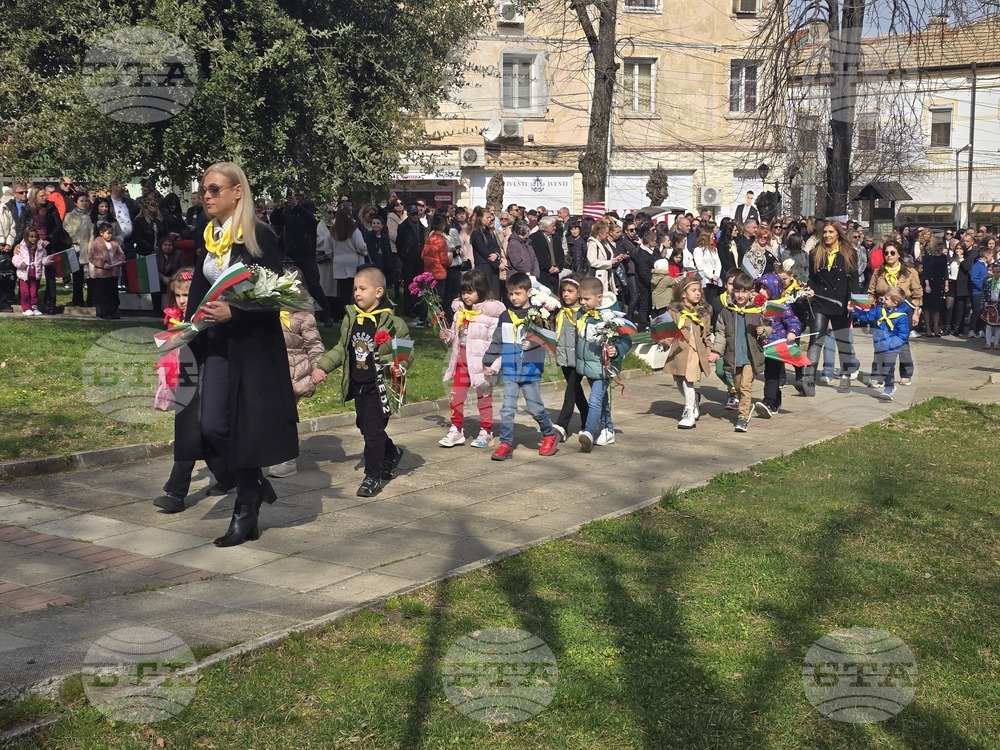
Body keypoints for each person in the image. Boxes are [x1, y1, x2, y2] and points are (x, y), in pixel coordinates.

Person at [175, 162, 299, 547]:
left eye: (213, 189)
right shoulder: (210, 234)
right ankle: (254, 483)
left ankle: (245, 509)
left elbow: (283, 294)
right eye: (203, 190)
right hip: (215, 344)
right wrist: (186, 328)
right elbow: (200, 287)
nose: (206, 196)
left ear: (237, 192)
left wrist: (236, 311)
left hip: (252, 349)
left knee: (243, 425)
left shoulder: (258, 235)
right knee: (209, 424)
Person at [311, 267, 410, 497]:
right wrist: (322, 366)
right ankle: (391, 452)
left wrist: (399, 364)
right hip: (359, 384)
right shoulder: (351, 318)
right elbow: (341, 348)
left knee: (373, 431)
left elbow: (404, 352)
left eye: (362, 289)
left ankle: (371, 477)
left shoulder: (393, 323)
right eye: (355, 288)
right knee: (364, 427)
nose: (356, 293)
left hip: (379, 385)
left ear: (378, 292)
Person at [153, 269, 236, 513]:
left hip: (209, 373)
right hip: (186, 375)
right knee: (195, 430)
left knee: (195, 429)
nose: (181, 300)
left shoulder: (210, 314)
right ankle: (227, 475)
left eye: (187, 294)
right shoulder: (174, 316)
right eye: (177, 295)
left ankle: (175, 492)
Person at [482, 272, 559, 461]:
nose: (514, 297)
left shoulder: (539, 314)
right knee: (507, 409)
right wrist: (487, 361)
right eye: (510, 293)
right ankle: (505, 443)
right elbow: (497, 340)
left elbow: (548, 338)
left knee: (535, 408)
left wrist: (532, 343)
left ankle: (549, 434)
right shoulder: (505, 316)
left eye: (518, 293)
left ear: (529, 292)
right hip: (510, 369)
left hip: (530, 370)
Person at [438, 269, 504, 449]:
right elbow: (455, 334)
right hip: (461, 362)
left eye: (470, 292)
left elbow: (497, 343)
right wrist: (448, 335)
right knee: (456, 397)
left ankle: (486, 431)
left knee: (484, 398)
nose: (466, 296)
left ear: (481, 290)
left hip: (482, 364)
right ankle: (456, 428)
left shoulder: (491, 316)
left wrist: (493, 365)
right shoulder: (460, 313)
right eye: (463, 292)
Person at [802, 221, 861, 395]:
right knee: (816, 338)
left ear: (838, 234)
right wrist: (809, 288)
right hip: (820, 300)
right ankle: (809, 378)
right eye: (825, 232)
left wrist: (853, 301)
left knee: (843, 339)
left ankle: (845, 375)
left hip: (841, 302)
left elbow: (854, 279)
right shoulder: (815, 253)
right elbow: (812, 278)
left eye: (831, 232)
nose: (827, 235)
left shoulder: (849, 252)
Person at [268, 306, 326, 478]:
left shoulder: (303, 317)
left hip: (295, 374)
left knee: (284, 414)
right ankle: (278, 449)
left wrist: (319, 367)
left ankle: (287, 458)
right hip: (271, 371)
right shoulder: (265, 314)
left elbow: (314, 345)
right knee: (271, 414)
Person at [575, 276, 631, 450]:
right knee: (601, 399)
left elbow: (626, 340)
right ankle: (607, 429)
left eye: (586, 299)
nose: (582, 302)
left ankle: (589, 432)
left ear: (599, 297)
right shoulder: (581, 313)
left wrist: (617, 350)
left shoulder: (612, 316)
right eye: (580, 299)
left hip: (603, 366)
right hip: (588, 364)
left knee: (595, 399)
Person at [713, 272, 770, 432]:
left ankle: (743, 417)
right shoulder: (726, 312)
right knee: (737, 386)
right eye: (737, 291)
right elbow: (720, 334)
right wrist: (717, 351)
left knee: (745, 386)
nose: (740, 295)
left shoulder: (756, 311)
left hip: (750, 357)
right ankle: (747, 406)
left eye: (744, 291)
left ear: (751, 292)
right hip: (733, 356)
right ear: (733, 291)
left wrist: (763, 330)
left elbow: (769, 327)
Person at [662, 276, 716, 429]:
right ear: (684, 293)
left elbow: (706, 334)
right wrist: (663, 343)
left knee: (688, 380)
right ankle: (694, 399)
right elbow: (668, 331)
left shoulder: (704, 313)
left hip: (695, 350)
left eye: (699, 290)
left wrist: (708, 351)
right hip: (679, 350)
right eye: (693, 290)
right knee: (680, 381)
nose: (697, 293)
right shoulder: (674, 310)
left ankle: (688, 412)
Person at [272, 191, 332, 326]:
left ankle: (327, 313)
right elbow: (275, 220)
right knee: (288, 284)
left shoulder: (309, 207)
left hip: (307, 252)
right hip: (290, 253)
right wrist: (281, 206)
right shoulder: (287, 210)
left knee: (314, 285)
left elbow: (313, 220)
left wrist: (297, 207)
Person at [752, 273, 802, 419]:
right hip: (761, 345)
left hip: (776, 345)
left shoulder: (780, 305)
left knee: (772, 374)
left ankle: (768, 402)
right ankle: (775, 400)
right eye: (760, 288)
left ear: (773, 289)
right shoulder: (756, 304)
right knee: (768, 374)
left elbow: (793, 321)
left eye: (765, 289)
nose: (761, 291)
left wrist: (792, 332)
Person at [853, 287, 911, 401]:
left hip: (892, 348)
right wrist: (854, 310)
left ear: (895, 303)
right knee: (881, 366)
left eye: (886, 298)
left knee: (888, 368)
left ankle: (889, 389)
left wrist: (892, 344)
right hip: (879, 345)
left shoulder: (901, 316)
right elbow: (867, 316)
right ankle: (886, 384)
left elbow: (903, 334)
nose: (883, 299)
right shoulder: (879, 309)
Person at [553, 275, 589, 441]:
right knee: (576, 391)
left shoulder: (583, 314)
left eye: (570, 291)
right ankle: (588, 419)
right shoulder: (559, 311)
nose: (566, 294)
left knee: (570, 392)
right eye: (564, 291)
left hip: (579, 358)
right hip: (564, 358)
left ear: (579, 293)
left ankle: (562, 426)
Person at [327, 205, 370, 323]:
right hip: (354, 262)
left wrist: (335, 258)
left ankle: (345, 314)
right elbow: (361, 247)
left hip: (339, 263)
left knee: (343, 291)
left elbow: (327, 250)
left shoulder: (332, 232)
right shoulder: (354, 231)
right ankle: (357, 312)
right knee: (357, 289)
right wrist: (364, 252)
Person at [396, 205, 427, 320]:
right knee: (409, 285)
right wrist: (404, 256)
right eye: (413, 214)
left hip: (420, 259)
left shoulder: (421, 225)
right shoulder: (403, 226)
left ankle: (418, 307)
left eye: (416, 214)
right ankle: (408, 309)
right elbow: (398, 243)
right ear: (408, 214)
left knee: (420, 285)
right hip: (408, 260)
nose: (415, 216)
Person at [88, 222, 125, 319]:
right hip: (102, 274)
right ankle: (104, 312)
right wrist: (102, 264)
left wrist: (120, 260)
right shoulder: (96, 243)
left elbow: (121, 253)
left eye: (111, 233)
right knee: (103, 293)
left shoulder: (115, 242)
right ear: (101, 233)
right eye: (108, 233)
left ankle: (114, 311)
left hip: (113, 272)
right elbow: (92, 257)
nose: (110, 235)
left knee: (113, 293)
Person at [62, 192, 93, 307]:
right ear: (75, 202)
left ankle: (91, 300)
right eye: (82, 201)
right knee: (77, 276)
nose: (84, 203)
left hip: (89, 249)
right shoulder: (69, 216)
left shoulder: (91, 215)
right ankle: (78, 301)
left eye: (86, 201)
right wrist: (81, 240)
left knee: (91, 276)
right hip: (76, 248)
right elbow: (67, 233)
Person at [13, 226, 47, 316]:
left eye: (35, 237)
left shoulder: (40, 248)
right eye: (31, 237)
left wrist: (48, 260)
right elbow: (15, 258)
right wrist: (21, 264)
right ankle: (26, 307)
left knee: (34, 292)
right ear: (26, 237)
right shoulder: (21, 247)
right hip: (24, 274)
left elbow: (44, 259)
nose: (33, 239)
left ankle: (34, 306)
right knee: (25, 292)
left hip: (35, 274)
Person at [586, 219, 622, 295]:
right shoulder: (592, 244)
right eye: (606, 233)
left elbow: (608, 257)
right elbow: (592, 262)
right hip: (598, 276)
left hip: (608, 276)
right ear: (600, 232)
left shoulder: (605, 243)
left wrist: (616, 259)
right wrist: (610, 262)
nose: (607, 235)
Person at [529, 216, 563, 292]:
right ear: (545, 228)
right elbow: (537, 255)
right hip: (542, 273)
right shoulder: (534, 238)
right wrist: (548, 266)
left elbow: (561, 254)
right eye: (552, 226)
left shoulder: (556, 238)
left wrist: (558, 267)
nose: (555, 228)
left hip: (555, 273)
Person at [969, 247, 994, 339]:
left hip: (984, 293)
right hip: (977, 292)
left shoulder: (985, 266)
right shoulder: (977, 265)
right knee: (977, 311)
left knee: (983, 311)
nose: (992, 257)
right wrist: (983, 286)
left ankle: (980, 329)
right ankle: (972, 329)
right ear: (986, 255)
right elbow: (974, 279)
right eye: (991, 255)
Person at [983, 262, 1000, 349]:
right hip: (990, 305)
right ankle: (988, 342)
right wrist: (985, 302)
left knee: (998, 326)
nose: (996, 273)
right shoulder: (988, 282)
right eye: (994, 272)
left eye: (998, 272)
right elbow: (985, 293)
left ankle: (996, 343)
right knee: (988, 324)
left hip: (998, 305)